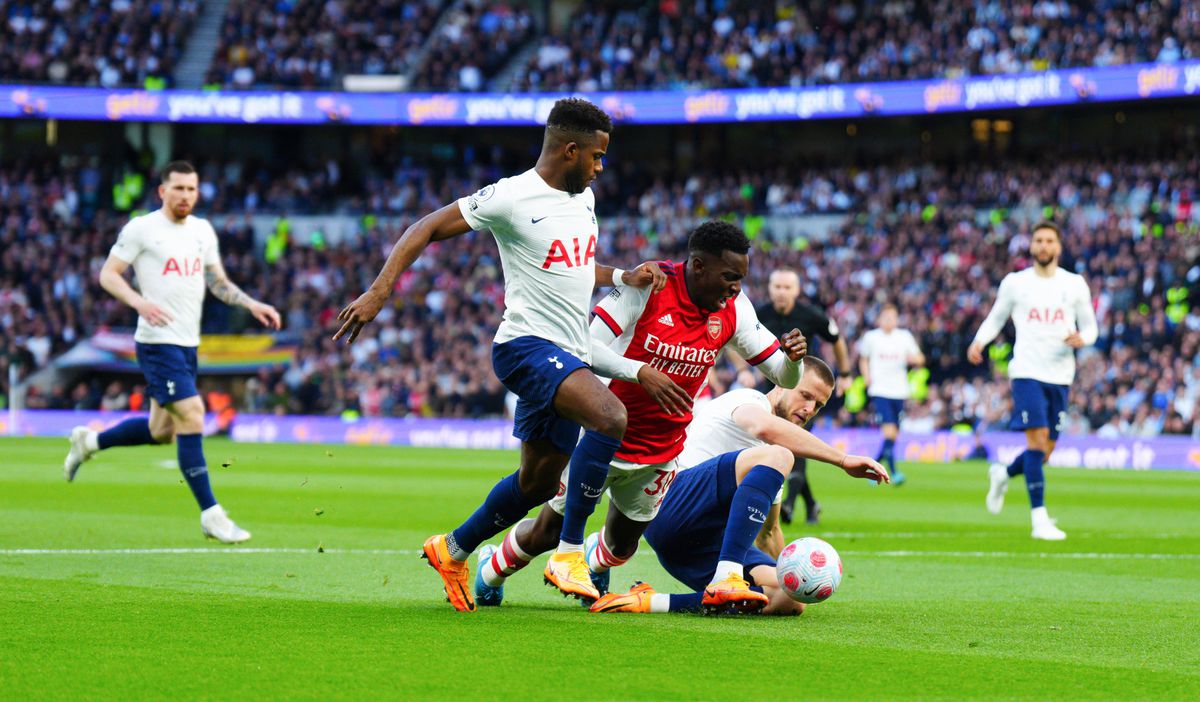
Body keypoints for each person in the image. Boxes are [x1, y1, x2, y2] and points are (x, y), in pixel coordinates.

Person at [333, 98, 670, 612]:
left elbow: (575, 266)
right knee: (610, 416)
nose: (602, 168)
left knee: (536, 484)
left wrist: (623, 276)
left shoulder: (584, 201)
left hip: (568, 353)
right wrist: (380, 291)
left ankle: (453, 549)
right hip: (526, 348)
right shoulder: (511, 197)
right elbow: (424, 226)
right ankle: (569, 553)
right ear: (570, 149)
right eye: (597, 156)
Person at [474, 221, 808, 609]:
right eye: (730, 277)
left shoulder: (734, 308)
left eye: (741, 279)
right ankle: (490, 570)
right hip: (603, 436)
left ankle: (595, 565)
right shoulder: (649, 286)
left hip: (662, 450)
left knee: (622, 542)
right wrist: (640, 372)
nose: (736, 287)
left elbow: (781, 374)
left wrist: (795, 362)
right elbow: (583, 346)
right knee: (548, 531)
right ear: (698, 266)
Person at [63, 160, 281, 543]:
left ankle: (90, 442)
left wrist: (250, 304)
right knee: (193, 414)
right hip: (156, 342)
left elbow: (217, 281)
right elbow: (108, 274)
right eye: (178, 188)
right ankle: (212, 515)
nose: (185, 196)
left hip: (186, 344)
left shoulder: (201, 231)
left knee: (160, 431)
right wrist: (139, 303)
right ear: (162, 191)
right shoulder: (142, 228)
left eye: (191, 189)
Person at [590, 357, 888, 615]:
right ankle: (728, 575)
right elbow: (763, 427)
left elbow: (768, 533)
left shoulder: (768, 463)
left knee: (787, 598)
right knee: (781, 454)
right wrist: (843, 459)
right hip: (669, 503)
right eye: (806, 395)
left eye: (819, 405)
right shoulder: (749, 401)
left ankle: (652, 601)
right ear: (782, 383)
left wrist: (794, 575)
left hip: (693, 548)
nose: (809, 408)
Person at [968, 221, 1097, 540]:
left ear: (1058, 247)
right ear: (1032, 246)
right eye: (1038, 240)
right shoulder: (1015, 283)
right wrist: (979, 342)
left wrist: (1084, 339)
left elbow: (1092, 327)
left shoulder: (1074, 283)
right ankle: (1039, 519)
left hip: (1061, 375)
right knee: (1036, 443)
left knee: (1045, 451)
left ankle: (1003, 473)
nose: (1043, 245)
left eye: (1049, 240)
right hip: (1026, 372)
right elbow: (996, 317)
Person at [732, 268, 853, 526]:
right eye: (777, 287)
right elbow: (730, 338)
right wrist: (743, 369)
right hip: (771, 391)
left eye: (787, 288)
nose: (782, 292)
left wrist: (844, 373)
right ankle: (810, 505)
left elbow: (837, 339)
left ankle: (787, 504)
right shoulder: (759, 314)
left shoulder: (810, 315)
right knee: (783, 443)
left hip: (803, 394)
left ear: (797, 291)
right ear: (770, 288)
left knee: (790, 443)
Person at [857, 303, 925, 485]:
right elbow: (863, 358)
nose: (889, 321)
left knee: (893, 435)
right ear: (879, 319)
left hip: (900, 391)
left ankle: (874, 468)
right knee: (889, 431)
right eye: (886, 318)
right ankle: (894, 473)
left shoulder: (904, 337)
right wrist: (866, 376)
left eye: (893, 318)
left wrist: (914, 359)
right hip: (880, 390)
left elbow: (920, 359)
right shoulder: (871, 337)